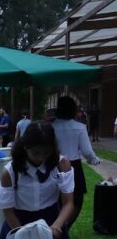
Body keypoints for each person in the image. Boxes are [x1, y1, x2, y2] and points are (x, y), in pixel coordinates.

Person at [52, 96, 100, 230]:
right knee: (76, 200)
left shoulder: (51, 127)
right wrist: (94, 160)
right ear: (73, 110)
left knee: (54, 199)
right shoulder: (79, 127)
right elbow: (87, 152)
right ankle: (64, 228)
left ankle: (55, 227)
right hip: (73, 166)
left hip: (53, 165)